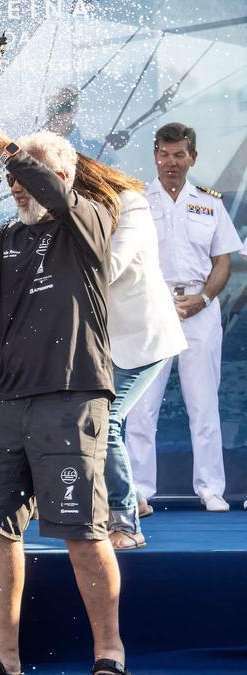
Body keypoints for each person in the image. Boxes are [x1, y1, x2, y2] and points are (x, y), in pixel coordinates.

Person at [0, 114, 127, 675]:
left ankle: (109, 653)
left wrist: (7, 146)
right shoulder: (10, 238)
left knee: (83, 531)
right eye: (14, 177)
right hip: (8, 402)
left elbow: (52, 192)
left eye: (30, 174)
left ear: (63, 174)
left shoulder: (89, 219)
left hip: (71, 395)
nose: (17, 184)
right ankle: (5, 657)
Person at [125, 122, 241, 514]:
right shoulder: (136, 201)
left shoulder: (210, 203)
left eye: (178, 155)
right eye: (164, 153)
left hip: (200, 309)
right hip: (150, 311)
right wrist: (155, 299)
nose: (170, 162)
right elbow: (128, 260)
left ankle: (211, 489)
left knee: (203, 404)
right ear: (154, 155)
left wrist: (205, 298)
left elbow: (223, 260)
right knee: (142, 407)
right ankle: (139, 490)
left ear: (193, 157)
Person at [72, 154, 186, 548]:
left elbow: (111, 265)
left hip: (144, 337)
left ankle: (125, 524)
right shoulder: (72, 214)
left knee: (105, 423)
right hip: (107, 341)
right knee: (98, 423)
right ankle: (132, 498)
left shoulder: (131, 204)